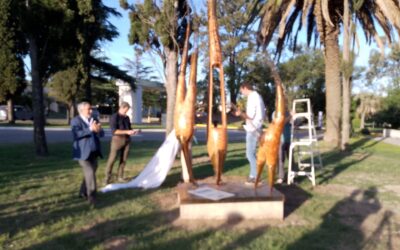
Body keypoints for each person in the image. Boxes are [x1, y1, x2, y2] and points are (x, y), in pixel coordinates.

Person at [71, 101, 104, 205]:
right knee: (89, 172)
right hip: (83, 153)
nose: (91, 111)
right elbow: (77, 134)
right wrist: (90, 129)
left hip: (94, 152)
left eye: (91, 109)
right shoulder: (76, 121)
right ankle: (92, 196)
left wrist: (98, 130)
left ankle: (82, 192)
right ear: (81, 110)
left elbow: (101, 134)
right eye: (88, 109)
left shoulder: (94, 119)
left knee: (90, 173)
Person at [234, 82, 266, 184]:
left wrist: (240, 114)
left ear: (245, 88)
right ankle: (253, 175)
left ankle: (255, 176)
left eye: (241, 91)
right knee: (252, 153)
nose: (241, 93)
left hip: (253, 128)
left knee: (249, 154)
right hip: (257, 127)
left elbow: (250, 116)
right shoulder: (258, 96)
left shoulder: (252, 98)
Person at [104, 102, 140, 185]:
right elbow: (114, 131)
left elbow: (129, 128)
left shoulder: (126, 118)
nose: (126, 112)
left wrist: (133, 131)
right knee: (112, 159)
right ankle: (107, 177)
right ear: (122, 108)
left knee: (123, 160)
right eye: (126, 110)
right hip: (117, 140)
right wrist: (127, 131)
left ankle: (120, 176)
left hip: (127, 140)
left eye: (127, 110)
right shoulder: (114, 117)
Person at [274, 108, 292, 184]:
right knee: (281, 159)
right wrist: (290, 116)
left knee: (291, 159)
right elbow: (281, 122)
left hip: (289, 139)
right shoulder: (275, 113)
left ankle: (293, 175)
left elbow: (296, 122)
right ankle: (281, 177)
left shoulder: (288, 112)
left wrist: (294, 117)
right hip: (280, 140)